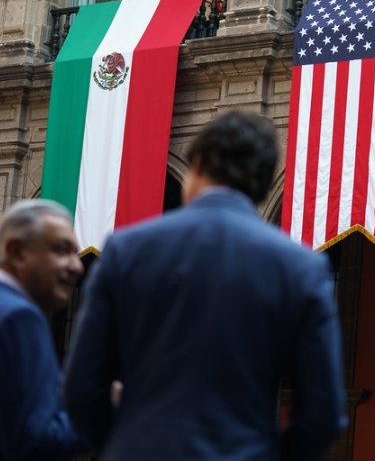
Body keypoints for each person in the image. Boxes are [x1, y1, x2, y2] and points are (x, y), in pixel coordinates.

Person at [64, 110, 348, 460]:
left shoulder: (126, 251)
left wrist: (122, 445)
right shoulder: (302, 267)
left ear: (196, 164)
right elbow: (323, 413)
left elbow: (82, 389)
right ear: (261, 183)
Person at [0, 199, 87, 459]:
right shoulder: (19, 316)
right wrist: (107, 409)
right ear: (16, 251)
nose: (77, 266)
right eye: (61, 250)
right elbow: (36, 443)